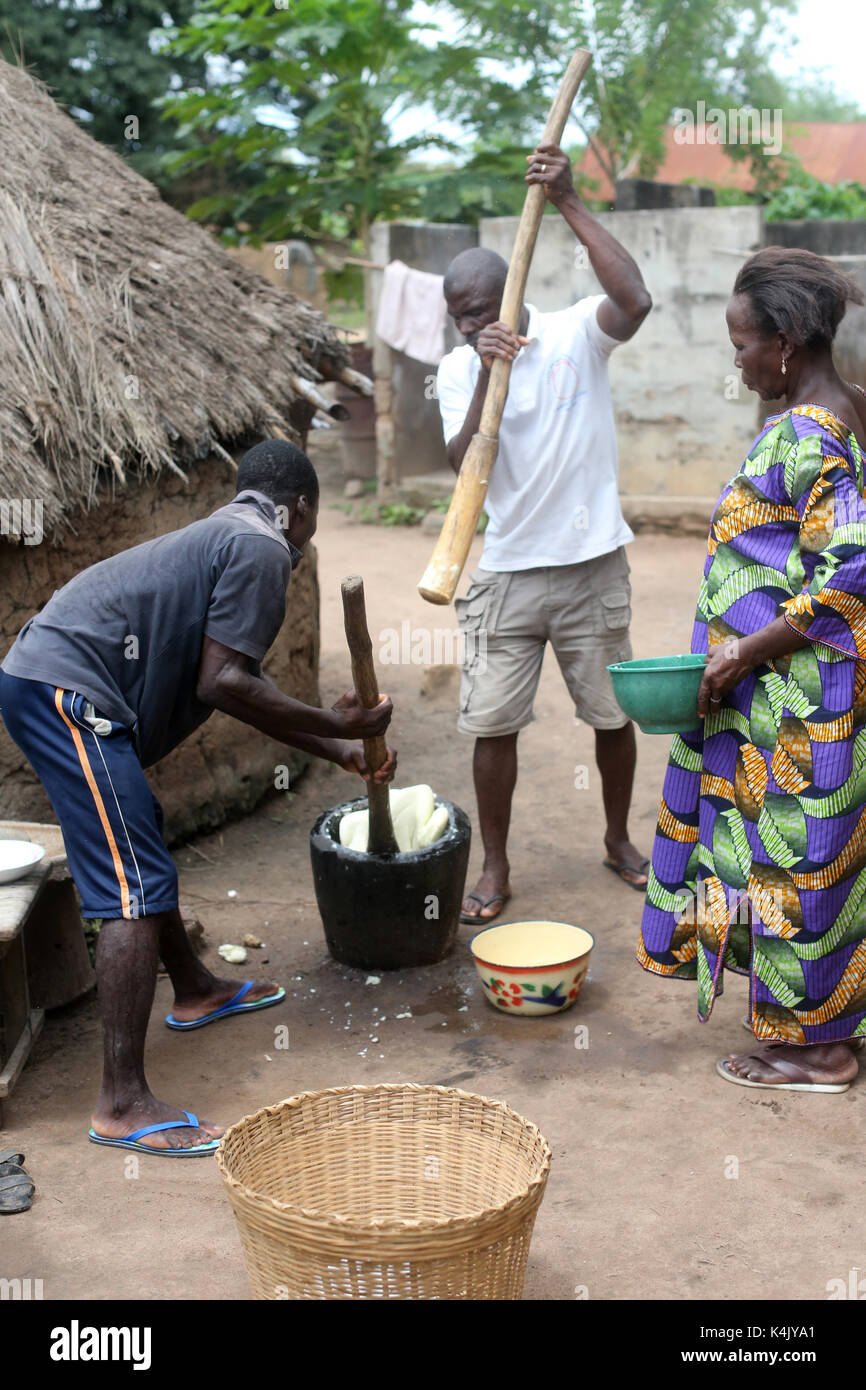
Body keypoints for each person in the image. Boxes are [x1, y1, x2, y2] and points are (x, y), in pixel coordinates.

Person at [0, 439, 396, 1152]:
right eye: (311, 521)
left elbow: (232, 684)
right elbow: (227, 684)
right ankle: (121, 1103)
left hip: (53, 683)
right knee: (131, 887)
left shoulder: (225, 536)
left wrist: (338, 749)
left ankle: (194, 989)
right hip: (63, 691)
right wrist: (338, 724)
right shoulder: (262, 547)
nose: (307, 540)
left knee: (139, 832)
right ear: (299, 506)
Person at [639, 245, 866, 1092]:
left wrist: (740, 650)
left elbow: (849, 570)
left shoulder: (814, 435)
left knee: (791, 866)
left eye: (741, 345)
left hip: (794, 708)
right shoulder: (847, 410)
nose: (736, 363)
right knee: (796, 865)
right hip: (773, 700)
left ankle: (818, 1051)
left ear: (788, 340)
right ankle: (819, 1027)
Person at [436, 141, 653, 923]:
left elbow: (636, 302)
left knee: (611, 715)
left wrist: (567, 200)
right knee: (493, 726)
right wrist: (486, 373)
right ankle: (494, 867)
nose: (464, 327)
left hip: (593, 565)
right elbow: (464, 465)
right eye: (454, 317)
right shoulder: (462, 368)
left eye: (473, 313)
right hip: (509, 574)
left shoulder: (572, 335)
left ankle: (619, 839)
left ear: (508, 292)